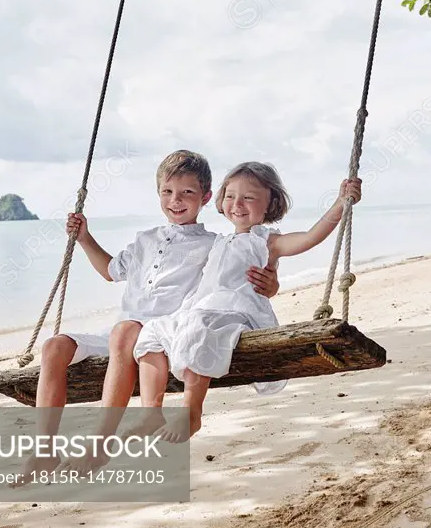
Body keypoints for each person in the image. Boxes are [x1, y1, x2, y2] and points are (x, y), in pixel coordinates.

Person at [19, 150, 278, 483]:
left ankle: (101, 443)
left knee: (125, 332)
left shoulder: (214, 244)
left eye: (187, 193)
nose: (176, 200)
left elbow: (240, 278)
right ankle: (44, 452)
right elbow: (111, 271)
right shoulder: (145, 239)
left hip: (163, 336)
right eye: (168, 192)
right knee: (55, 346)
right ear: (158, 194)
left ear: (206, 198)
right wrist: (84, 239)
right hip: (122, 333)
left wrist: (270, 285)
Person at [134, 161, 362, 442]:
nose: (237, 204)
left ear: (270, 204)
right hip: (201, 308)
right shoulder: (219, 241)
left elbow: (309, 237)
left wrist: (341, 203)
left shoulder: (266, 242)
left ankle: (191, 413)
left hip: (237, 314)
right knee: (152, 331)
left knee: (199, 327)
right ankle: (149, 412)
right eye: (230, 196)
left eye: (249, 197)